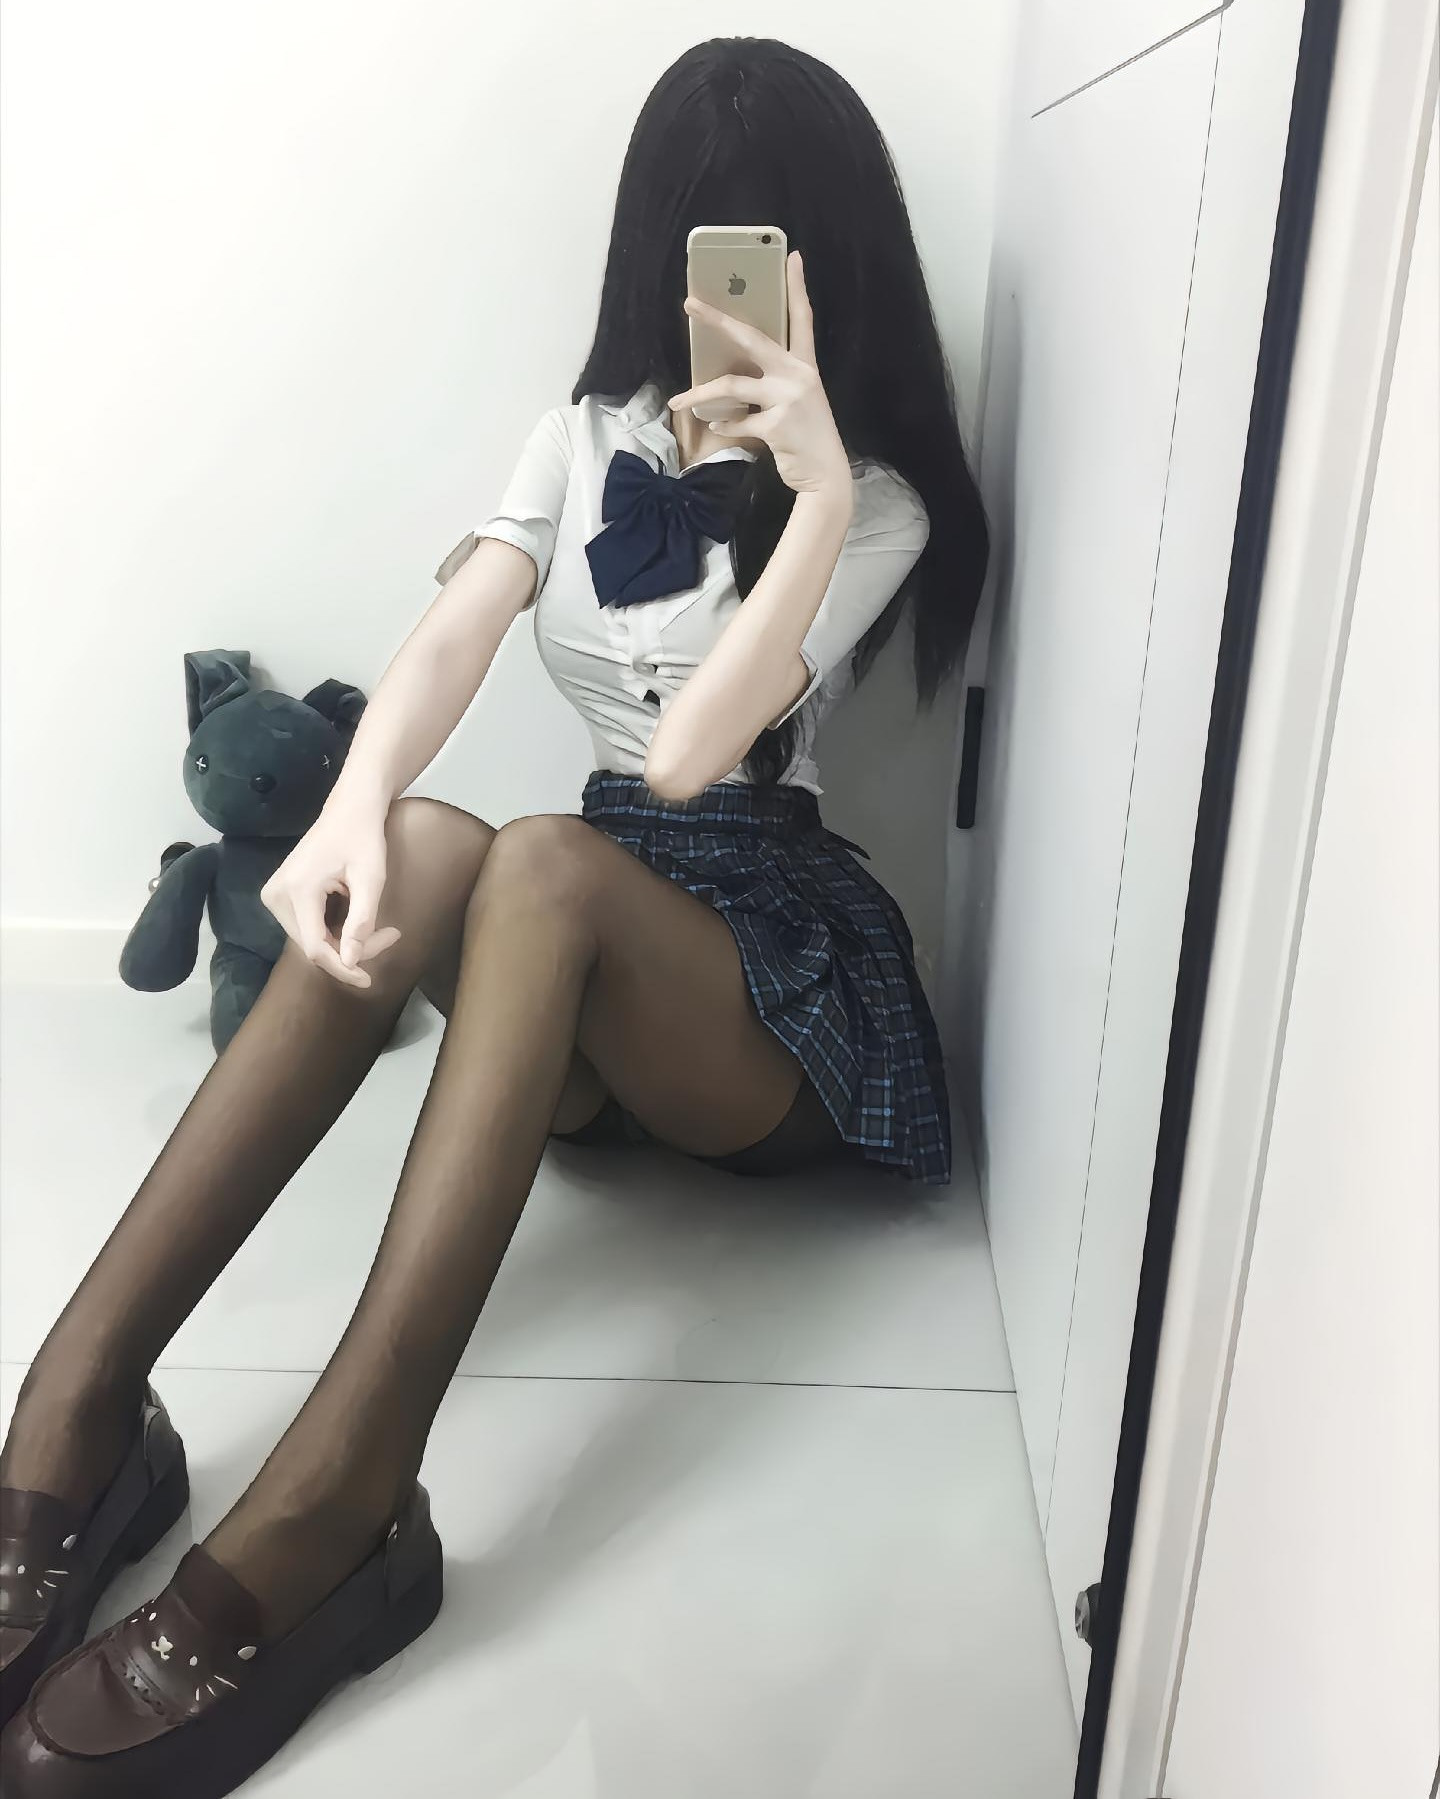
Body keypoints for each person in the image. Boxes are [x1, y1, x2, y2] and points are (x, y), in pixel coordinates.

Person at [0, 35, 988, 1794]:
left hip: (762, 994)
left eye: (767, 250)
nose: (726, 299)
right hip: (575, 959)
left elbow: (687, 759)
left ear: (832, 268)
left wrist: (820, 487)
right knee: (436, 837)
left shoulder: (878, 503)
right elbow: (462, 627)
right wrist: (351, 814)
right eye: (698, 247)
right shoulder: (581, 438)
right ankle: (76, 1413)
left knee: (534, 856)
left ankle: (340, 1510)